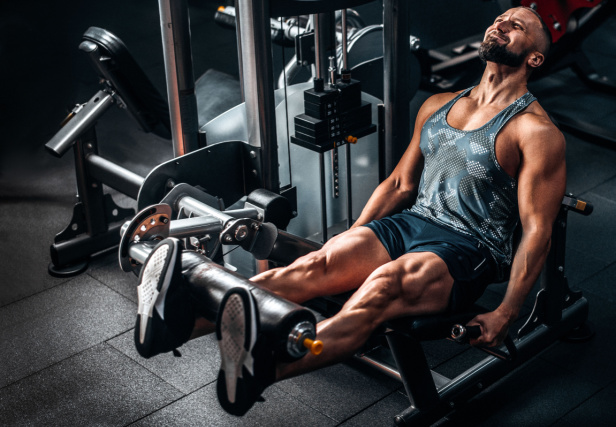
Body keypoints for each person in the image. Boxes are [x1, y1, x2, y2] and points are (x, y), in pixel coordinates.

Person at [133, 6, 565, 416]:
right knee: (314, 265)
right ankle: (175, 325)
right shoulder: (441, 104)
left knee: (382, 286)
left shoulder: (535, 131)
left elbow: (537, 229)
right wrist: (353, 234)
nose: (502, 24)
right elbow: (399, 184)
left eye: (516, 27)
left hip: (467, 249)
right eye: (500, 19)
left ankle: (265, 369)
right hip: (410, 224)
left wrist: (506, 312)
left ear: (535, 56)